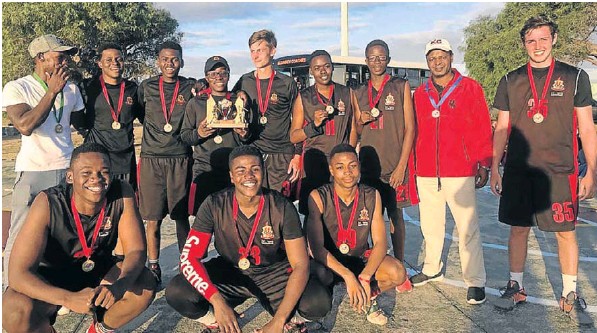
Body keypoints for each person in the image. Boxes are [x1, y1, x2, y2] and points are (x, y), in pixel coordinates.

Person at [490, 16, 596, 326]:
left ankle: (570, 292)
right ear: (524, 44)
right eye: (531, 40)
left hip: (560, 171)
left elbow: (587, 128)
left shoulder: (575, 76)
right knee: (518, 230)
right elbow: (503, 127)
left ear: (554, 40)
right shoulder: (511, 80)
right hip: (520, 171)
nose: (537, 46)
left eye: (543, 39)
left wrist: (591, 171)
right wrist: (495, 166)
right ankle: (516, 286)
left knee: (565, 233)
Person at [165, 146, 331, 333]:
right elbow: (189, 259)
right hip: (232, 270)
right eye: (241, 170)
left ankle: (292, 323)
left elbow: (300, 264)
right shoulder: (214, 204)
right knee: (177, 290)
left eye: (255, 169)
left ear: (263, 171)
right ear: (231, 176)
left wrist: (279, 320)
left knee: (319, 301)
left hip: (273, 271)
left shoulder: (281, 206)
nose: (249, 176)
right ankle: (216, 323)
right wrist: (217, 301)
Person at [2, 143, 156, 333]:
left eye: (103, 172)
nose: (96, 179)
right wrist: (67, 299)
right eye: (86, 173)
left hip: (97, 269)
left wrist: (119, 287)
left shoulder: (122, 192)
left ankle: (100, 329)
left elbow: (136, 250)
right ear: (70, 176)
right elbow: (17, 275)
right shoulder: (48, 202)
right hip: (54, 276)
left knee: (145, 283)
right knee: (13, 310)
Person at [410, 39, 492, 305]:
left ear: (451, 56)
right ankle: (432, 268)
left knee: (467, 228)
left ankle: (475, 280)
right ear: (427, 62)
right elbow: (414, 132)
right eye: (432, 58)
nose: (437, 62)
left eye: (442, 56)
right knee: (430, 225)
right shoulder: (419, 93)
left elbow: (481, 126)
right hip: (426, 170)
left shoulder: (470, 88)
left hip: (460, 170)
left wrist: (484, 162)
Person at [2, 34, 86, 286]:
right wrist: (51, 92)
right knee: (21, 233)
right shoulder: (18, 87)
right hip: (34, 171)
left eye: (66, 57)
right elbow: (26, 125)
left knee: (63, 235)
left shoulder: (71, 88)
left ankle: (59, 288)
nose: (65, 62)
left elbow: (83, 123)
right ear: (40, 58)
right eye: (59, 57)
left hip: (66, 169)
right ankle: (10, 290)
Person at [306, 144, 410, 326]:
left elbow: (380, 243)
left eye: (352, 165)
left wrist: (364, 276)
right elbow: (316, 249)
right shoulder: (318, 196)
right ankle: (324, 304)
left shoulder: (372, 195)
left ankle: (367, 296)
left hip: (359, 257)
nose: (347, 172)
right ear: (331, 169)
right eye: (340, 167)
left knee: (397, 272)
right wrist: (348, 276)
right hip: (329, 262)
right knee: (317, 280)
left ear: (359, 166)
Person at [352, 39, 416, 263]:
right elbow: (357, 129)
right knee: (369, 216)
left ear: (388, 59)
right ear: (366, 61)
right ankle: (372, 263)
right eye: (372, 57)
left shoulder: (400, 86)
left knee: (396, 216)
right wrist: (361, 120)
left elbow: (411, 128)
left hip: (394, 165)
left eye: (381, 57)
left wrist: (401, 166)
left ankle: (399, 264)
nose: (377, 61)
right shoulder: (359, 91)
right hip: (369, 166)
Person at [137, 41, 195, 284]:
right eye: (164, 59)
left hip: (180, 158)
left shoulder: (190, 86)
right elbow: (141, 114)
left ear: (181, 61)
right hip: (152, 158)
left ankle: (186, 265)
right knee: (153, 217)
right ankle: (154, 265)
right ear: (158, 61)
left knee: (181, 216)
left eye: (174, 59)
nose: (169, 64)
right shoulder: (147, 87)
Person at [290, 50, 357, 217]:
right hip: (315, 161)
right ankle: (312, 244)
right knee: (314, 212)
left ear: (332, 67)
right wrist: (314, 125)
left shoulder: (346, 93)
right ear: (311, 71)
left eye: (326, 66)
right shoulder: (303, 97)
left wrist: (349, 152)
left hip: (340, 162)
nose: (323, 71)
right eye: (317, 68)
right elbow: (294, 136)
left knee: (341, 210)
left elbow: (354, 127)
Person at [232, 29, 301, 194]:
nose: (255, 55)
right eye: (252, 51)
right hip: (253, 150)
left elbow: (299, 120)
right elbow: (227, 102)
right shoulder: (244, 80)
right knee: (254, 200)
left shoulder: (287, 83)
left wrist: (297, 156)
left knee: (278, 203)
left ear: (273, 51)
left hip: (281, 153)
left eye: (260, 50)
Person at [181, 56, 250, 214]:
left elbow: (248, 137)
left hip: (232, 170)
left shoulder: (238, 101)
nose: (218, 77)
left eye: (223, 73)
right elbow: (185, 136)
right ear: (206, 77)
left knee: (231, 220)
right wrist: (199, 133)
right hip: (205, 169)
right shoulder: (196, 103)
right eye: (213, 73)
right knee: (202, 221)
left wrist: (244, 134)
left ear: (228, 75)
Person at [80, 42, 144, 191]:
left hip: (125, 160)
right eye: (108, 60)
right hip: (97, 159)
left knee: (125, 205)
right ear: (100, 63)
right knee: (97, 204)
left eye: (119, 59)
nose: (114, 63)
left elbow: (144, 117)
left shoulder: (132, 88)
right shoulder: (87, 87)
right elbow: (78, 119)